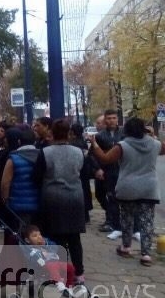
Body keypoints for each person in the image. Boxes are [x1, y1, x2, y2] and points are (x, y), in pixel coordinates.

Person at [88, 117, 165, 267]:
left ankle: (126, 247)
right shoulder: (155, 144)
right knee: (147, 221)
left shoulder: (122, 145)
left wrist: (95, 144)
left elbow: (105, 159)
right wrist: (153, 135)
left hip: (127, 187)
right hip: (149, 188)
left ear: (127, 130)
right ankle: (147, 254)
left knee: (127, 218)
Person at [33, 118, 86, 284]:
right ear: (69, 133)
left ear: (52, 133)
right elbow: (83, 173)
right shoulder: (78, 152)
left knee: (55, 237)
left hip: (53, 199)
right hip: (75, 198)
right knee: (74, 238)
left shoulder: (46, 152)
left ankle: (58, 273)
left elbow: (36, 176)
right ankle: (79, 273)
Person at [1, 128, 40, 227]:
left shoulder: (13, 158)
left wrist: (5, 199)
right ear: (34, 141)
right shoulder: (41, 155)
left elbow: (5, 182)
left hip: (17, 203)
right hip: (38, 202)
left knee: (20, 232)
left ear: (19, 141)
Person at [95, 109, 125, 239]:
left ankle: (131, 227)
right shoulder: (100, 136)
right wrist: (98, 168)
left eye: (113, 118)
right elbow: (94, 154)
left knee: (126, 199)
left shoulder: (124, 134)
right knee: (111, 198)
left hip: (123, 170)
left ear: (117, 119)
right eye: (109, 118)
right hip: (108, 171)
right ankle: (115, 225)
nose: (111, 120)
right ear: (105, 120)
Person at [21, 225, 75, 290]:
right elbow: (33, 259)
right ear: (27, 240)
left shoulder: (45, 243)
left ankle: (69, 287)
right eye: (35, 236)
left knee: (70, 268)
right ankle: (59, 283)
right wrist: (41, 254)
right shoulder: (30, 250)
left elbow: (56, 248)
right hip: (41, 266)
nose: (39, 237)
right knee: (52, 266)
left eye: (39, 234)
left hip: (55, 262)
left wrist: (46, 244)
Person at [69, 123, 94, 223]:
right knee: (85, 190)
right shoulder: (83, 143)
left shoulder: (72, 144)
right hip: (85, 170)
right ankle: (86, 215)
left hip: (76, 171)